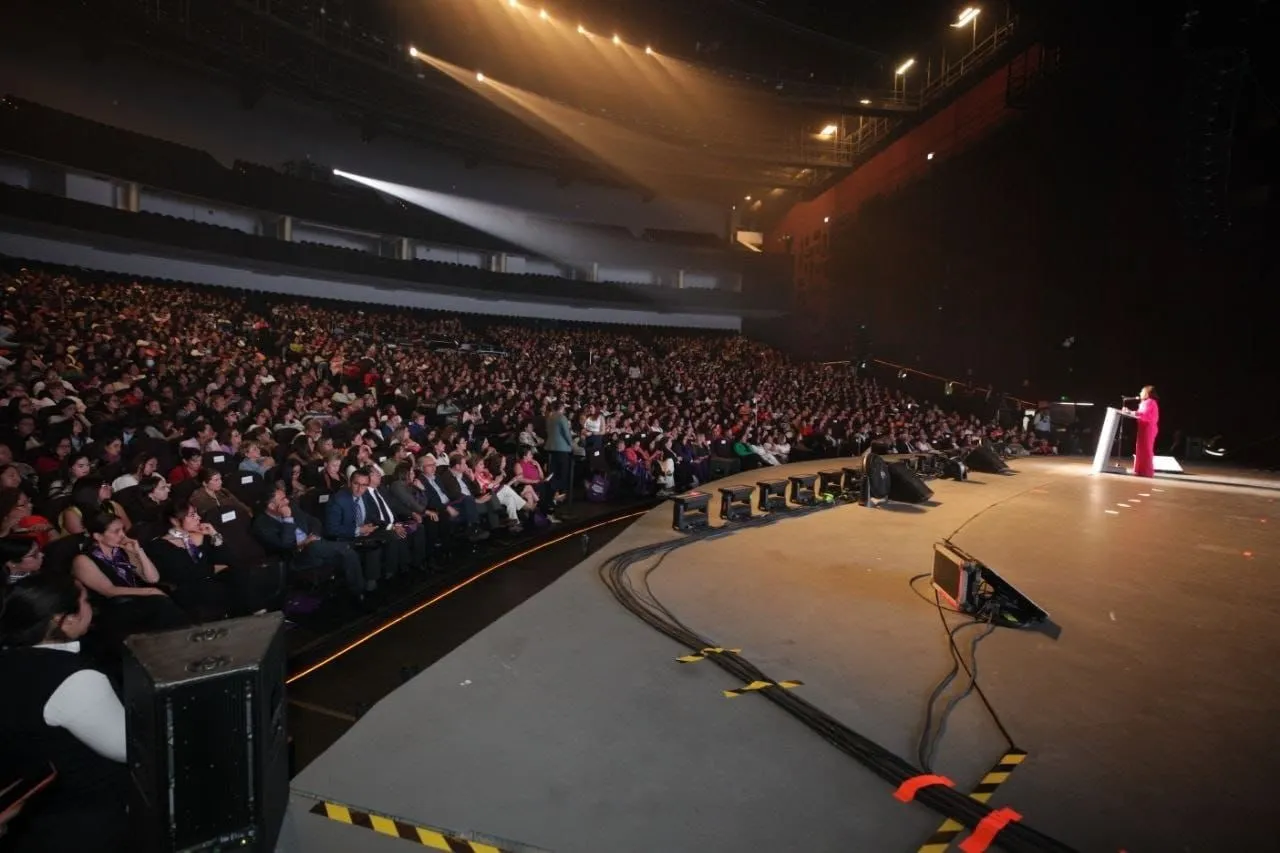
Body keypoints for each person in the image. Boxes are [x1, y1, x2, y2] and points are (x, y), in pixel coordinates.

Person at [0, 573, 129, 852]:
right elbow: (127, 747)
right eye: (84, 602)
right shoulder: (72, 678)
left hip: (34, 815)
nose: (89, 608)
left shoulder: (12, 658)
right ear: (64, 619)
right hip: (86, 817)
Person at [1125, 385, 1160, 478]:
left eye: (1141, 391)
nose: (1140, 393)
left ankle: (1147, 471)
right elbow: (1141, 414)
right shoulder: (1146, 402)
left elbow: (1143, 414)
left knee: (1146, 450)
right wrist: (1131, 412)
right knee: (1141, 449)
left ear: (1147, 393)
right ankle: (1141, 470)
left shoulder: (1150, 402)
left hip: (1148, 428)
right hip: (1144, 427)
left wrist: (1130, 412)